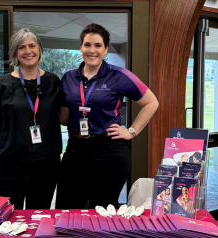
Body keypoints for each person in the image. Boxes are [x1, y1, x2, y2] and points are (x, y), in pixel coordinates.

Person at [56, 23, 159, 209]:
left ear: (105, 49)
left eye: (98, 45)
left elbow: (151, 102)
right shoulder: (68, 77)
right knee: (66, 208)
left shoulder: (119, 75)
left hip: (108, 149)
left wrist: (132, 131)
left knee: (102, 210)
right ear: (80, 47)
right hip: (74, 149)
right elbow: (63, 117)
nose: (92, 50)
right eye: (87, 45)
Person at [0, 29, 62, 210]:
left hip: (46, 164)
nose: (28, 51)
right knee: (10, 218)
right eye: (21, 47)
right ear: (15, 53)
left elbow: (64, 114)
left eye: (32, 46)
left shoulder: (53, 81)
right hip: (9, 165)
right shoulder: (2, 84)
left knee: (38, 217)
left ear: (39, 50)